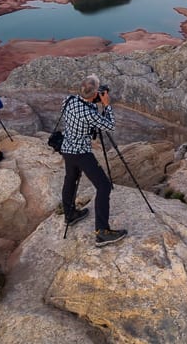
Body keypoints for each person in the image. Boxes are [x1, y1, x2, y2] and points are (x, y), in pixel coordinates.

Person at [60, 74, 127, 247]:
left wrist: (91, 101)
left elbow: (73, 114)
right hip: (82, 153)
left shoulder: (69, 100)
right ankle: (102, 232)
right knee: (104, 186)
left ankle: (69, 214)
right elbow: (109, 125)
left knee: (70, 179)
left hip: (67, 149)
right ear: (95, 94)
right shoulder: (90, 113)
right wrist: (106, 105)